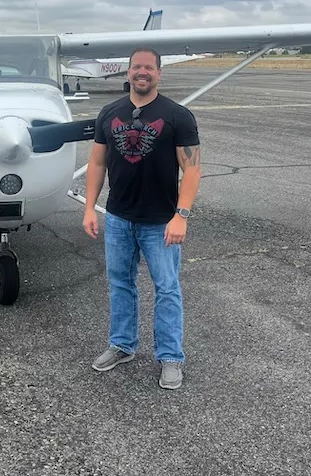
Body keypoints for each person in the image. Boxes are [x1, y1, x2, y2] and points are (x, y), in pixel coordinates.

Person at [82, 47, 201, 389]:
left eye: (149, 68)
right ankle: (122, 345)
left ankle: (171, 357)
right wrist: (90, 208)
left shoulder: (177, 116)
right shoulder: (110, 113)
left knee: (167, 288)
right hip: (119, 218)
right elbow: (97, 163)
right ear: (128, 72)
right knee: (120, 283)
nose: (142, 72)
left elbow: (191, 169)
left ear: (159, 73)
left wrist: (181, 215)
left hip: (160, 221)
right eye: (137, 67)